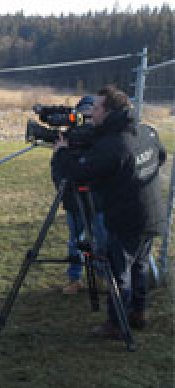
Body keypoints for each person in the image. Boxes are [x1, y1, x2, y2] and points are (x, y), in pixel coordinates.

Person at [51, 85, 166, 339]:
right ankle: (139, 312)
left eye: (97, 107)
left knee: (120, 270)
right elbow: (161, 156)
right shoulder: (145, 131)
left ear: (110, 111)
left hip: (127, 217)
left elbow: (78, 173)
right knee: (140, 265)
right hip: (150, 212)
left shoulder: (114, 144)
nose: (92, 112)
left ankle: (116, 323)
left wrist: (60, 154)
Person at [57, 96, 108, 295]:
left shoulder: (102, 141)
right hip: (73, 200)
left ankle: (103, 275)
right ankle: (75, 278)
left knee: (101, 238)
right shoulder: (68, 140)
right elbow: (58, 168)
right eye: (83, 116)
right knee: (75, 240)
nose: (87, 121)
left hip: (98, 200)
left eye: (90, 115)